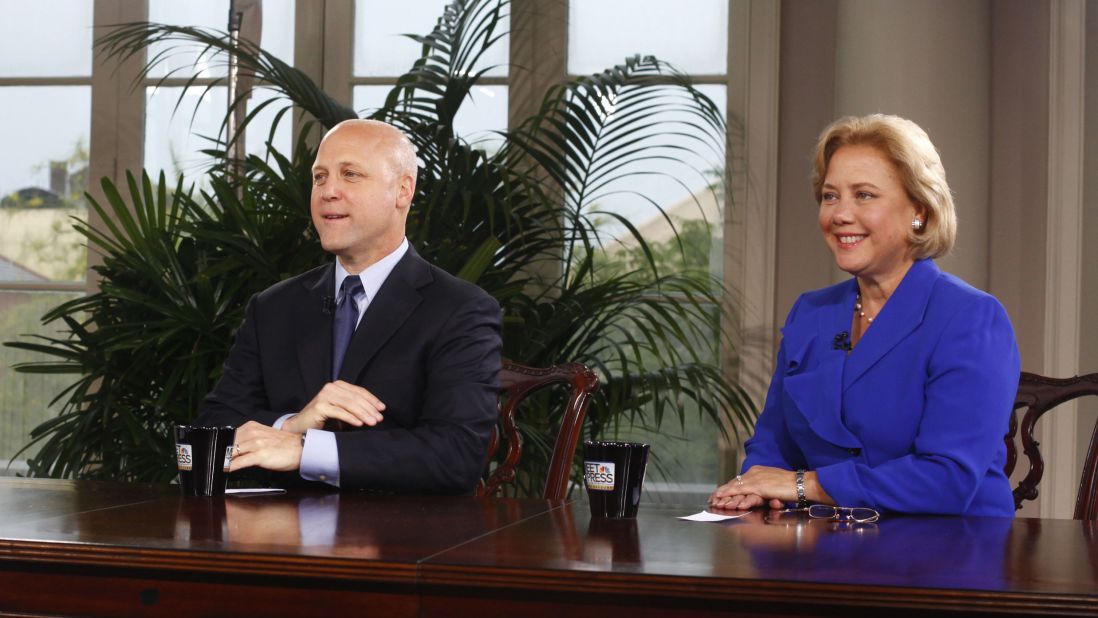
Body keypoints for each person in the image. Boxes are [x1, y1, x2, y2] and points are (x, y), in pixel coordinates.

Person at [709, 114, 1019, 516]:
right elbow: (773, 442)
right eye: (830, 195)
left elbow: (947, 480)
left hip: (946, 553)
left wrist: (804, 485)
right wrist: (752, 485)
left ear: (919, 211)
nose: (839, 214)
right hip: (824, 546)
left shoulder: (971, 319)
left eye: (865, 195)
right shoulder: (811, 313)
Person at [197, 119, 502, 494]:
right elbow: (212, 429)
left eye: (351, 175)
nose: (328, 191)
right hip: (280, 539)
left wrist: (306, 450)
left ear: (403, 191)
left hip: (404, 542)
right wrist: (293, 425)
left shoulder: (461, 309)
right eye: (320, 177)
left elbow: (455, 455)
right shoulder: (273, 307)